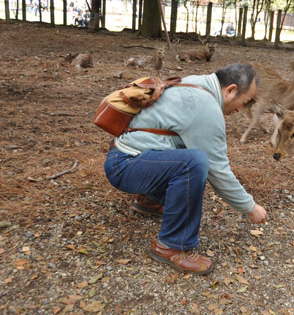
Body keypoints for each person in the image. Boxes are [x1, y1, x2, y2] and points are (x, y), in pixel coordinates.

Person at [104, 63, 268, 275]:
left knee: (186, 158)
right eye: (243, 102)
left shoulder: (194, 82)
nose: (239, 110)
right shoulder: (206, 107)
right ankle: (172, 245)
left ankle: (149, 200)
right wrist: (250, 207)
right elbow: (218, 170)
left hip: (126, 158)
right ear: (230, 90)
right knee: (194, 163)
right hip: (125, 166)